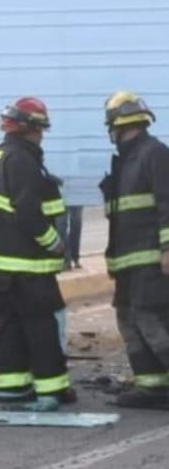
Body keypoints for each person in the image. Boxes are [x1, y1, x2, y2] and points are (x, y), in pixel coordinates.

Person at [0, 97, 75, 411]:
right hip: (27, 266)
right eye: (40, 130)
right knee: (41, 327)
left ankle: (12, 389)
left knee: (11, 327)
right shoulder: (23, 161)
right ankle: (52, 390)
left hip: (0, 267)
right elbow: (29, 215)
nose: (42, 136)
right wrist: (55, 243)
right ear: (32, 129)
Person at [99, 91, 169, 408]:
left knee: (152, 321)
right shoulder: (125, 161)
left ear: (116, 125)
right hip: (128, 262)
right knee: (128, 320)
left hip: (151, 259)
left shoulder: (154, 154)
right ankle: (153, 387)